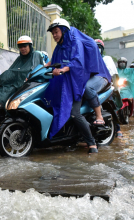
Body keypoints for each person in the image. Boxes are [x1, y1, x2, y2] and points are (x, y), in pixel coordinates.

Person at [44, 18, 111, 154]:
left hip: (85, 78)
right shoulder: (60, 46)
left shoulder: (76, 42)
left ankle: (92, 142)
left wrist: (63, 70)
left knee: (74, 113)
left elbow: (77, 62)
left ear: (63, 31)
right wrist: (43, 67)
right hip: (72, 79)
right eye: (53, 33)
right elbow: (56, 60)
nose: (54, 35)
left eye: (56, 32)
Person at [0, 36, 44, 106]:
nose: (22, 49)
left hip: (27, 86)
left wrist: (27, 76)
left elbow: (34, 70)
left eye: (25, 46)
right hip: (14, 85)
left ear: (30, 46)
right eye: (20, 47)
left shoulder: (35, 55)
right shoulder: (19, 58)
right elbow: (10, 72)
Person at [95, 39, 123, 138]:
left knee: (112, 107)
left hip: (107, 86)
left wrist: (114, 87)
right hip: (96, 87)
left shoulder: (107, 59)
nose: (97, 49)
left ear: (102, 49)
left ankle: (118, 128)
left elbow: (112, 74)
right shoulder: (92, 60)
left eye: (99, 47)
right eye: (95, 47)